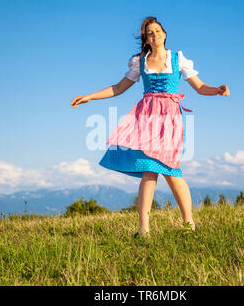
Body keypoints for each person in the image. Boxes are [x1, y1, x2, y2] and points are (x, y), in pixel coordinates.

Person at [71, 16, 230, 237]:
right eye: (149, 33)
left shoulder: (177, 59)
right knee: (149, 171)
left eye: (157, 31)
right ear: (146, 39)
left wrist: (217, 90)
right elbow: (118, 87)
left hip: (170, 120)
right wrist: (90, 96)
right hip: (146, 118)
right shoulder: (140, 61)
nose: (153, 35)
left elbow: (200, 86)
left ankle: (189, 224)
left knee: (172, 171)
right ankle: (144, 230)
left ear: (164, 35)